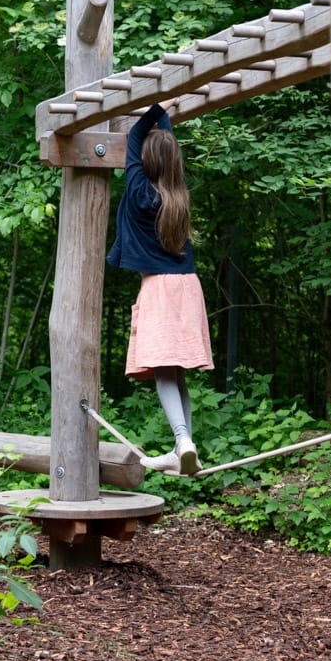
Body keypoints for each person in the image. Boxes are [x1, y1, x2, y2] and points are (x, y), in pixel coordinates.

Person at [107, 100, 213, 477]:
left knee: (164, 371)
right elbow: (156, 137)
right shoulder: (177, 193)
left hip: (160, 290)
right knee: (177, 372)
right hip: (188, 286)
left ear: (147, 161)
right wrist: (164, 110)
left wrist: (155, 102)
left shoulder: (139, 191)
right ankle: (183, 446)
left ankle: (183, 439)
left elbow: (136, 134)